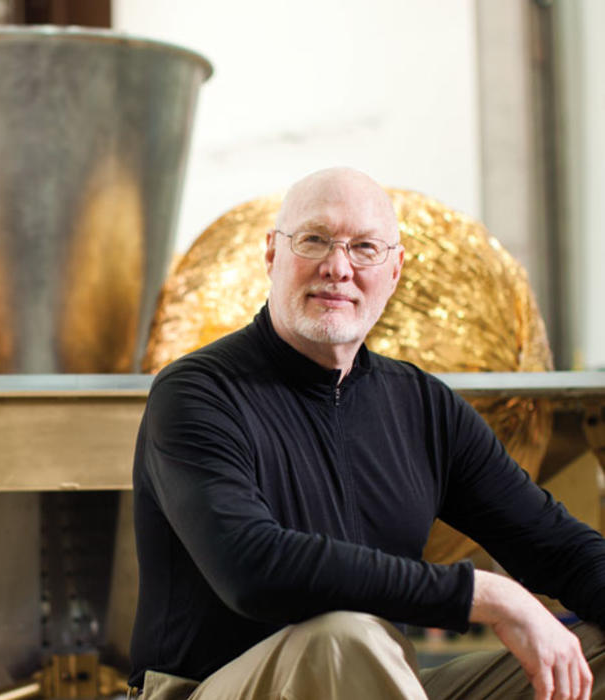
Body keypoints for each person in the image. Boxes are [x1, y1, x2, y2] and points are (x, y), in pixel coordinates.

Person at [129, 167, 605, 699]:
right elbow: (253, 569)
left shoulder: (423, 407)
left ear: (395, 270)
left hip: (374, 683)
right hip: (209, 689)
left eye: (364, 248)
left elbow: (559, 548)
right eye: (314, 240)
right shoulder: (197, 393)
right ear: (271, 254)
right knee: (342, 636)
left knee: (598, 650)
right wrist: (482, 593)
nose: (338, 268)